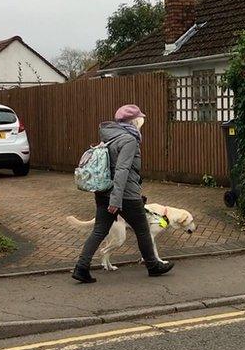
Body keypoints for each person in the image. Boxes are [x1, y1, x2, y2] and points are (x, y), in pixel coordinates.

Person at [72, 104, 174, 283]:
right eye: (140, 119)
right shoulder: (128, 140)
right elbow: (122, 170)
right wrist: (116, 200)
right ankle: (153, 265)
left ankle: (81, 268)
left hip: (103, 192)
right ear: (135, 121)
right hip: (124, 195)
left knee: (99, 231)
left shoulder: (109, 138)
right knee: (142, 230)